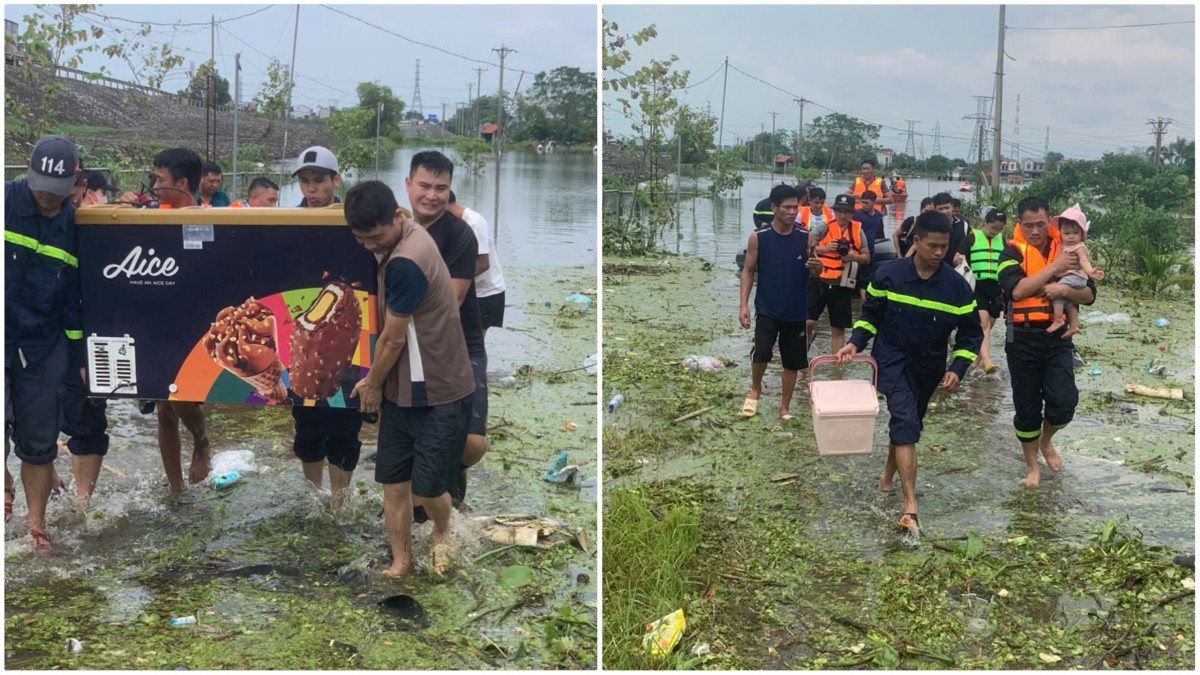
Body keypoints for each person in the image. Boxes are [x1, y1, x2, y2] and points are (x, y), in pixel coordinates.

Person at [344, 180, 475, 579]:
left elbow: (393, 338)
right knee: (393, 484)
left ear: (397, 218)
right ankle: (401, 561)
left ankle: (442, 528)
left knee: (428, 490)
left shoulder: (405, 262)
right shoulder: (406, 233)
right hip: (404, 389)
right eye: (361, 240)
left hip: (438, 387)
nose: (370, 247)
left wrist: (371, 385)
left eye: (376, 237)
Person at [836, 210, 982, 532]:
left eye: (944, 246)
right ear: (916, 241)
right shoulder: (889, 275)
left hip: (928, 366)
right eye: (933, 246)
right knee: (904, 418)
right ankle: (910, 505)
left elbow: (972, 334)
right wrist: (854, 344)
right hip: (890, 359)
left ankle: (888, 475)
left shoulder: (956, 287)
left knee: (908, 424)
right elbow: (870, 316)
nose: (940, 253)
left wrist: (958, 368)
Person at [5, 136, 85, 551]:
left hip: (43, 343)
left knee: (38, 441)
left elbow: (73, 299)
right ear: (26, 168)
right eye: (40, 189)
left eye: (57, 192)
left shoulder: (74, 224)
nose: (47, 199)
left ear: (75, 179)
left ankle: (36, 526)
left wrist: (77, 355)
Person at [404, 151, 485, 512]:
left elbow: (451, 299)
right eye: (424, 186)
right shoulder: (395, 229)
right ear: (408, 185)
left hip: (460, 347)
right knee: (414, 433)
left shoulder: (459, 235)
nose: (432, 195)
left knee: (472, 444)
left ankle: (445, 479)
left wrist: (396, 310)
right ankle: (421, 501)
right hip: (408, 346)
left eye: (441, 188)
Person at [998, 195, 1097, 488]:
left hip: (1057, 335)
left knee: (1064, 401)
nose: (1036, 231)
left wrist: (1062, 291)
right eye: (1029, 226)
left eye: (1041, 224)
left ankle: (1047, 441)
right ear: (1020, 225)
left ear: (1049, 220)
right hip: (1022, 336)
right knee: (1027, 407)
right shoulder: (1011, 253)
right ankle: (1032, 467)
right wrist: (1054, 269)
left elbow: (1089, 295)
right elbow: (1017, 291)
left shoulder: (1067, 246)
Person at [289, 145, 363, 513]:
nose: (311, 189)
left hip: (348, 341)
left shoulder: (356, 221)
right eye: (304, 181)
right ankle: (311, 497)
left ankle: (338, 502)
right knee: (306, 424)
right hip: (307, 340)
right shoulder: (286, 225)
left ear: (336, 180)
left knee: (346, 423)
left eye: (318, 181)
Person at [148, 148, 214, 494]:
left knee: (180, 398)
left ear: (183, 183)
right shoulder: (146, 216)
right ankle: (175, 488)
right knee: (163, 408)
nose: (154, 186)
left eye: (160, 180)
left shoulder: (207, 220)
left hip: (193, 323)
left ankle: (201, 441)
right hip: (158, 320)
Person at [738, 184, 824, 419]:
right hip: (767, 308)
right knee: (761, 353)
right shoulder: (759, 238)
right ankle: (756, 389)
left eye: (795, 207)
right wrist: (743, 305)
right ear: (774, 207)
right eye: (786, 207)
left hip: (796, 311)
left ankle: (784, 406)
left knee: (792, 362)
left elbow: (816, 272)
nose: (791, 212)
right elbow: (747, 271)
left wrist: (818, 268)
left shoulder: (806, 237)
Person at [807, 194, 869, 354]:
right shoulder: (824, 227)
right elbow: (808, 249)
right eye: (839, 211)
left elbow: (866, 257)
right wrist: (826, 248)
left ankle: (837, 367)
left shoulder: (857, 230)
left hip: (841, 284)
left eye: (846, 212)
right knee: (808, 321)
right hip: (819, 281)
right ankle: (804, 348)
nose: (842, 215)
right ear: (834, 211)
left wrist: (853, 256)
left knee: (838, 328)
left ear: (852, 213)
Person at [447, 191, 505, 339]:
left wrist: (452, 280)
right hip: (469, 291)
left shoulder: (474, 222)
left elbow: (484, 263)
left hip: (486, 292)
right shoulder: (454, 226)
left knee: (476, 341)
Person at [959, 208, 1008, 373]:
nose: (995, 232)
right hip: (976, 285)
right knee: (983, 322)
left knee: (990, 323)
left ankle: (974, 363)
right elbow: (957, 257)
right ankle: (987, 361)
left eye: (999, 229)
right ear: (984, 223)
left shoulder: (1004, 241)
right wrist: (958, 259)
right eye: (992, 228)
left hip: (995, 287)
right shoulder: (972, 237)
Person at [1045, 204, 1104, 338]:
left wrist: (1090, 272)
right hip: (1071, 277)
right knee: (1070, 301)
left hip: (1075, 276)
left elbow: (1083, 260)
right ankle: (1074, 325)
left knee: (1058, 292)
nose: (1071, 237)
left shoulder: (1079, 247)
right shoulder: (1062, 245)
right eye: (1066, 233)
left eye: (1075, 233)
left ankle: (1058, 319)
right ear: (1060, 232)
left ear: (1082, 234)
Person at [853, 190, 886, 296]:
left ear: (874, 202)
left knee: (866, 279)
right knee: (856, 278)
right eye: (862, 202)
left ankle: (864, 303)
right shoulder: (857, 215)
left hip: (871, 251)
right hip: (857, 251)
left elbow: (880, 234)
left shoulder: (878, 216)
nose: (863, 205)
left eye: (866, 202)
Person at [932, 193, 969, 267]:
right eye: (941, 209)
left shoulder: (963, 225)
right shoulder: (930, 226)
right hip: (935, 268)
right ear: (935, 209)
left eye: (947, 208)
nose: (944, 212)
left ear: (952, 207)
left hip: (957, 270)